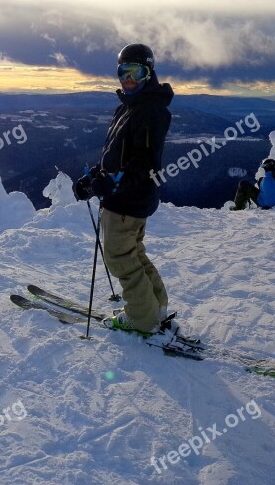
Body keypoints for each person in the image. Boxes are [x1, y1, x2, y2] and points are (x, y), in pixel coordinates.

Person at [73, 43, 173, 334]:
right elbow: (117, 156)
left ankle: (142, 319)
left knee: (120, 258)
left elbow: (144, 164)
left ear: (148, 72)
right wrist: (94, 177)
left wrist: (113, 183)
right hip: (130, 198)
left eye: (135, 72)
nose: (127, 79)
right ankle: (156, 306)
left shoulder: (150, 111)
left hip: (127, 201)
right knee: (134, 253)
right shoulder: (130, 107)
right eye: (122, 72)